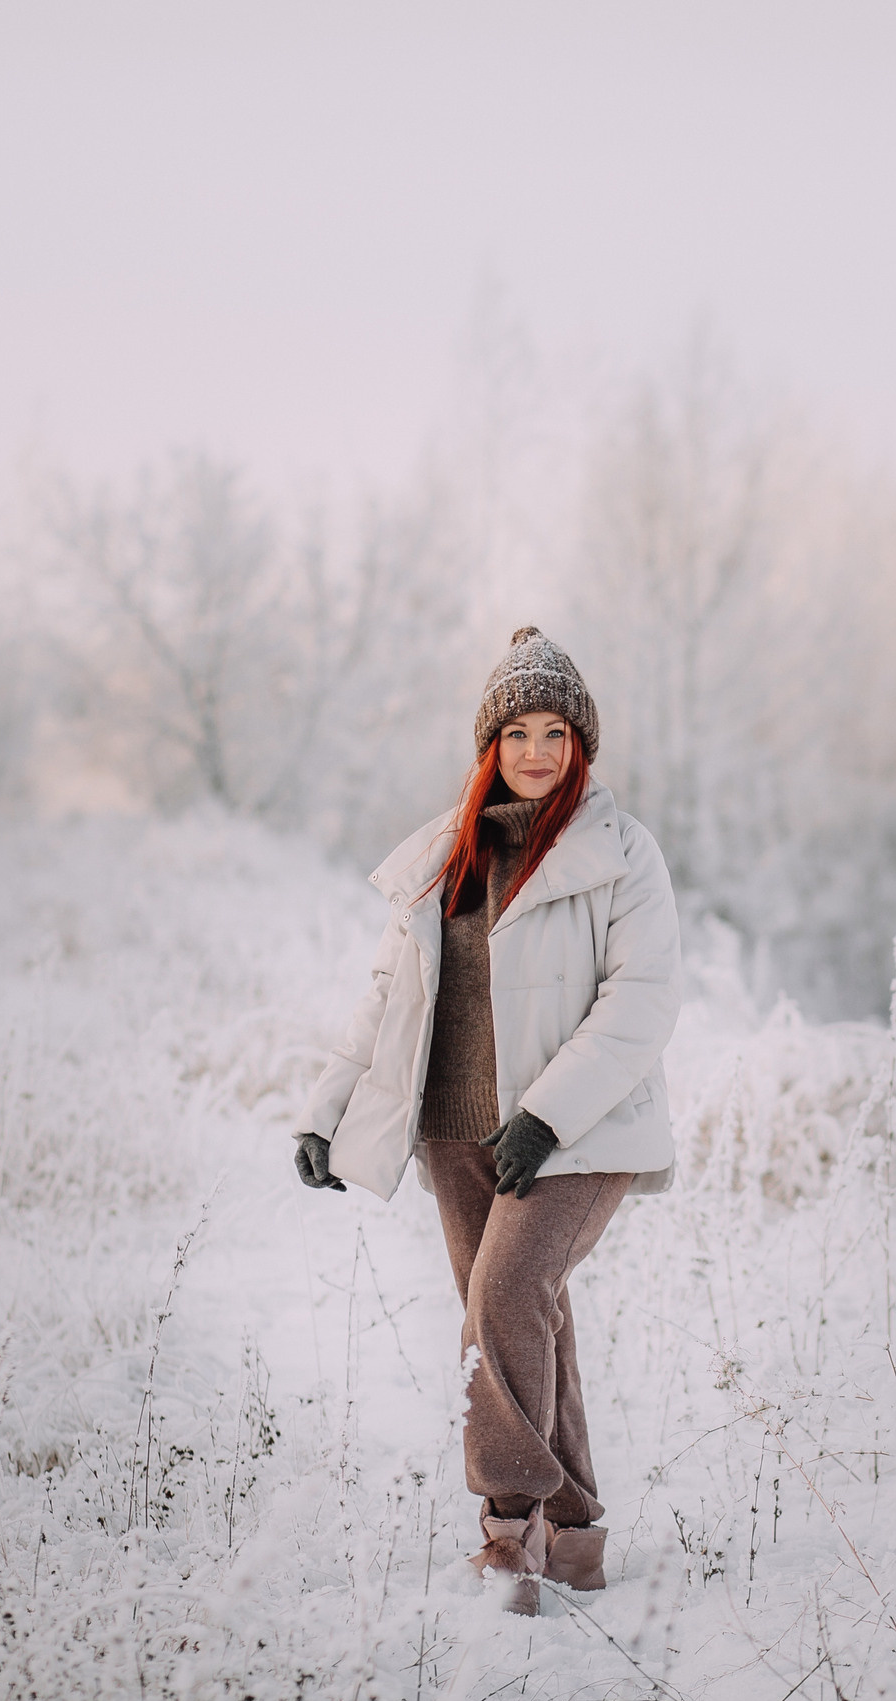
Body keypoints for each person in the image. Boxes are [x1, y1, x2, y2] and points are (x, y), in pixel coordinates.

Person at [290, 626, 679, 1615]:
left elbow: (640, 1006)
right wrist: (326, 1110)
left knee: (503, 1300)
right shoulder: (444, 855)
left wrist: (545, 1119)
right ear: (489, 744)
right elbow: (390, 995)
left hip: (577, 1135)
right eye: (518, 731)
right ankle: (577, 1537)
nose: (538, 751)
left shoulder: (623, 856)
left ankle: (509, 1538)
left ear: (582, 744)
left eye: (556, 731)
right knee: (518, 1322)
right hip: (455, 1133)